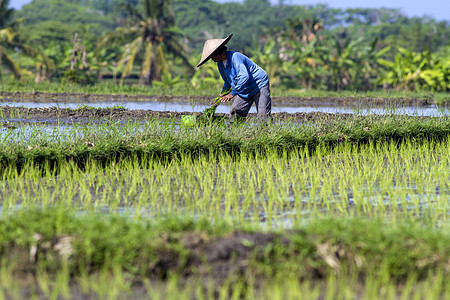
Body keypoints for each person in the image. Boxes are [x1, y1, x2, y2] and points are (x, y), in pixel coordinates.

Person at [197, 34, 271, 122]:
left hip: (258, 84)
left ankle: (265, 132)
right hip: (244, 88)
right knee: (235, 114)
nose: (212, 59)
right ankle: (234, 132)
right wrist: (224, 92)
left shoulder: (235, 57)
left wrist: (232, 93)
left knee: (263, 116)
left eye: (212, 57)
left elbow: (244, 76)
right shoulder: (220, 65)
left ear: (219, 54)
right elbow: (227, 81)